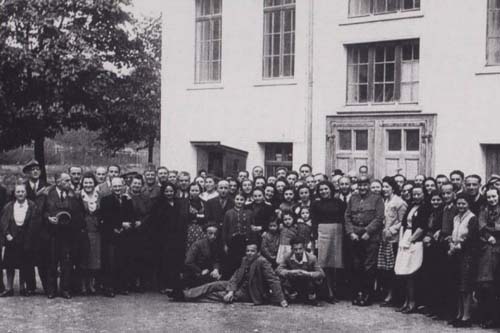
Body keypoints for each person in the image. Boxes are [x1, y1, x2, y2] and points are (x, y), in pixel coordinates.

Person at [179, 241, 288, 308]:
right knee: (213, 285)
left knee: (219, 295)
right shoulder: (245, 259)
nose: (249, 253)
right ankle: (185, 294)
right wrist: (231, 290)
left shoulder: (262, 262)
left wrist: (281, 299)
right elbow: (236, 276)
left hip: (250, 292)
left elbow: (273, 280)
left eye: (252, 251)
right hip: (238, 286)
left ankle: (190, 298)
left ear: (258, 252)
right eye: (248, 251)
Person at [39, 173, 85, 299]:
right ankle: (51, 290)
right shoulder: (48, 194)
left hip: (68, 234)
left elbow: (79, 212)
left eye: (69, 180)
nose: (69, 182)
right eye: (66, 180)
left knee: (67, 262)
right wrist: (48, 218)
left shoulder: (74, 194)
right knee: (52, 262)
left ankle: (65, 289)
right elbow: (41, 211)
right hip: (52, 234)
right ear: (58, 182)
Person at [345, 176, 384, 306]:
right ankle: (357, 293)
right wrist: (350, 232)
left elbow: (379, 218)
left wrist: (368, 231)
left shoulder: (377, 199)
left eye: (365, 185)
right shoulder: (353, 198)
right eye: (360, 185)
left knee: (369, 266)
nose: (362, 187)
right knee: (356, 266)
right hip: (355, 236)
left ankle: (368, 295)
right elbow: (347, 217)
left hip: (370, 237)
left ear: (369, 185)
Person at [150, 183, 189, 295]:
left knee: (176, 262)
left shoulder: (178, 203)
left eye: (171, 191)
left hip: (177, 237)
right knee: (163, 262)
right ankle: (163, 285)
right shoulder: (158, 204)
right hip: (163, 238)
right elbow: (154, 222)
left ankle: (174, 284)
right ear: (163, 192)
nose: (169, 193)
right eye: (166, 191)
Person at [99, 177, 136, 297]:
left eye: (119, 186)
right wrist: (120, 224)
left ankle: (121, 286)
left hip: (124, 235)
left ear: (123, 186)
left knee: (122, 260)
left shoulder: (127, 199)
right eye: (115, 186)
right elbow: (106, 217)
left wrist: (129, 224)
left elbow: (131, 215)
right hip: (111, 235)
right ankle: (108, 288)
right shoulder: (105, 200)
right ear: (111, 188)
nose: (117, 189)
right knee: (110, 262)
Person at [0, 184, 38, 297]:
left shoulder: (32, 205)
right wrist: (7, 235)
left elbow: (33, 223)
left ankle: (22, 288)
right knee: (9, 264)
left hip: (25, 240)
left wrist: (28, 238)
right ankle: (9, 288)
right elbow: (4, 222)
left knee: (24, 264)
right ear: (15, 194)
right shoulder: (9, 206)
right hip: (11, 239)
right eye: (18, 192)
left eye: (22, 192)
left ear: (26, 193)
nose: (20, 194)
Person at [311, 181, 346, 303]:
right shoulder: (316, 204)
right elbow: (314, 221)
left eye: (326, 189)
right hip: (323, 233)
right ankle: (328, 292)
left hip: (337, 233)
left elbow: (344, 218)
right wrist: (315, 237)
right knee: (324, 264)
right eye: (321, 190)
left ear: (331, 189)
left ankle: (338, 292)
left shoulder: (339, 203)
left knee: (336, 264)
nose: (323, 191)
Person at [447, 193, 479, 328]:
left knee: (466, 287)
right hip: (456, 254)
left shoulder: (472, 218)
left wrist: (457, 247)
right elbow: (453, 233)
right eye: (459, 203)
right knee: (458, 286)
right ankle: (459, 315)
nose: (460, 206)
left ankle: (467, 316)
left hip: (467, 254)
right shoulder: (455, 218)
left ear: (468, 204)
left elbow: (471, 238)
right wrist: (451, 245)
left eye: (463, 203)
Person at [377, 176, 407, 307]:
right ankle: (387, 293)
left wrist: (392, 230)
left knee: (393, 269)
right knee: (385, 269)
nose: (384, 189)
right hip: (383, 239)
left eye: (387, 187)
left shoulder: (400, 203)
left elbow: (403, 222)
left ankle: (393, 296)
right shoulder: (384, 201)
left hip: (393, 239)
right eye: (383, 187)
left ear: (393, 188)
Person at [476, 188, 500, 329]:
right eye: (489, 197)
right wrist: (487, 234)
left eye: (494, 196)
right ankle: (489, 317)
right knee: (487, 285)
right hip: (488, 250)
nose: (492, 199)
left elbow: (493, 227)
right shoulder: (484, 209)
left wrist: (489, 228)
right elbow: (481, 226)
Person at [276, 236, 325, 305]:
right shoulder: (287, 256)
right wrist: (290, 272)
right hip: (293, 281)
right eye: (295, 249)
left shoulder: (312, 258)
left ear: (304, 248)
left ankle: (311, 296)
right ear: (291, 249)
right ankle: (291, 294)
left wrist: (307, 273)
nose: (298, 251)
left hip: (307, 282)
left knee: (317, 279)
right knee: (280, 277)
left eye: (300, 249)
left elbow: (321, 273)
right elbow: (278, 270)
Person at [128, 175, 153, 292]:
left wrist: (141, 222)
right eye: (134, 183)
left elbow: (149, 214)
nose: (136, 185)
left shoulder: (145, 197)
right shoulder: (126, 196)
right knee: (129, 257)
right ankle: (130, 282)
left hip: (142, 231)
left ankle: (140, 283)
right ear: (130, 184)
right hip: (129, 231)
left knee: (141, 257)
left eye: (139, 184)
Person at [79, 173, 101, 295]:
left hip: (96, 231)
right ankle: (83, 284)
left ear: (94, 184)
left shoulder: (99, 196)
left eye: (90, 183)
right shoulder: (79, 195)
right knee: (83, 258)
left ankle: (92, 284)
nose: (88, 185)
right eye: (86, 183)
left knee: (94, 259)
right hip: (84, 231)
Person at [222, 193, 253, 277]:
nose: (239, 201)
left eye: (241, 199)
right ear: (234, 200)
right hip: (232, 242)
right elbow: (225, 229)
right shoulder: (229, 213)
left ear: (245, 201)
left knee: (243, 261)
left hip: (244, 241)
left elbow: (251, 228)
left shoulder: (249, 213)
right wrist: (225, 244)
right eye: (237, 199)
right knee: (232, 261)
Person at [186, 183, 206, 251]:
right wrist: (199, 216)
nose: (194, 192)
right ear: (189, 191)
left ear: (200, 191)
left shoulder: (204, 202)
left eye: (196, 190)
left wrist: (194, 216)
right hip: (188, 230)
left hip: (201, 230)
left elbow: (206, 217)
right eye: (192, 190)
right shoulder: (185, 202)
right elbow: (186, 216)